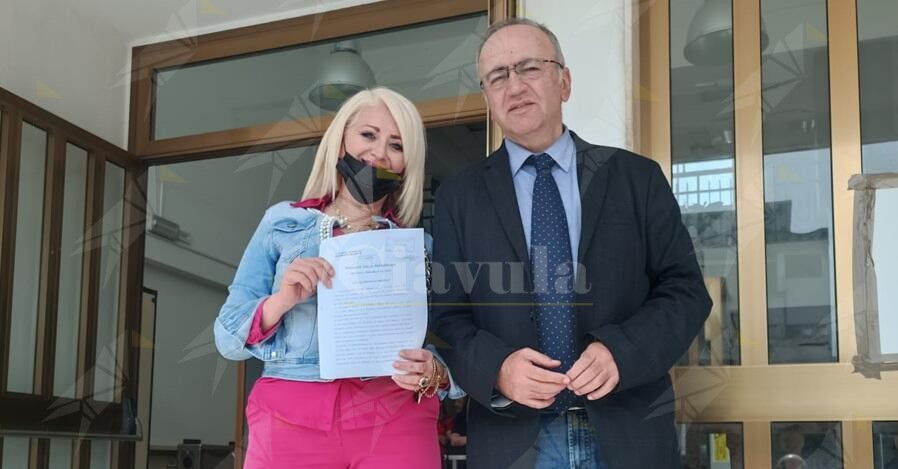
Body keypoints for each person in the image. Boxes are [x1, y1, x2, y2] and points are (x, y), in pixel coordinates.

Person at [430, 18, 711, 469]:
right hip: (513, 441)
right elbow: (447, 317)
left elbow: (686, 291)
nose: (514, 85)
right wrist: (497, 369)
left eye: (529, 67)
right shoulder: (458, 197)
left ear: (564, 82)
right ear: (487, 98)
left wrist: (623, 351)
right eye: (497, 76)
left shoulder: (636, 179)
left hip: (628, 434)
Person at [214, 87, 462, 469]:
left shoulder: (421, 248)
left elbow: (459, 338)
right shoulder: (282, 223)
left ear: (407, 163)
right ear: (341, 139)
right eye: (368, 135)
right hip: (290, 416)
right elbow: (227, 339)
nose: (379, 153)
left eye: (396, 145)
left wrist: (437, 372)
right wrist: (281, 301)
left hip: (396, 416)